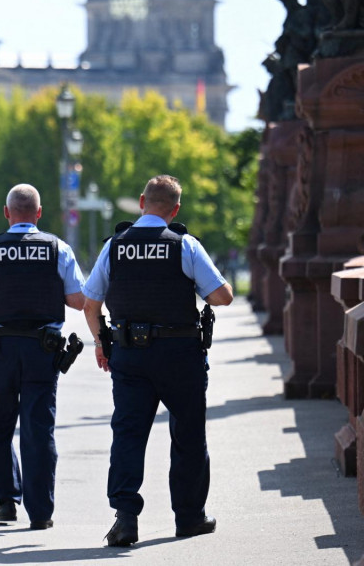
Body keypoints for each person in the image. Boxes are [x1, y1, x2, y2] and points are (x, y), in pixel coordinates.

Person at [81, 175, 233, 547]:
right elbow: (222, 297)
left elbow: (90, 303)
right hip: (180, 355)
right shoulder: (185, 245)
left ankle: (126, 520)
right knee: (188, 436)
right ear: (175, 209)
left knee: (128, 435)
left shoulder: (115, 246)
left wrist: (102, 342)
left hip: (130, 355)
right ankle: (189, 517)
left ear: (142, 202)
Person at [0, 184, 85, 529]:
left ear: (7, 213)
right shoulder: (58, 248)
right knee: (38, 428)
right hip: (44, 350)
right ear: (38, 214)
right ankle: (40, 513)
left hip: (1, 350)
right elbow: (78, 299)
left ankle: (5, 502)